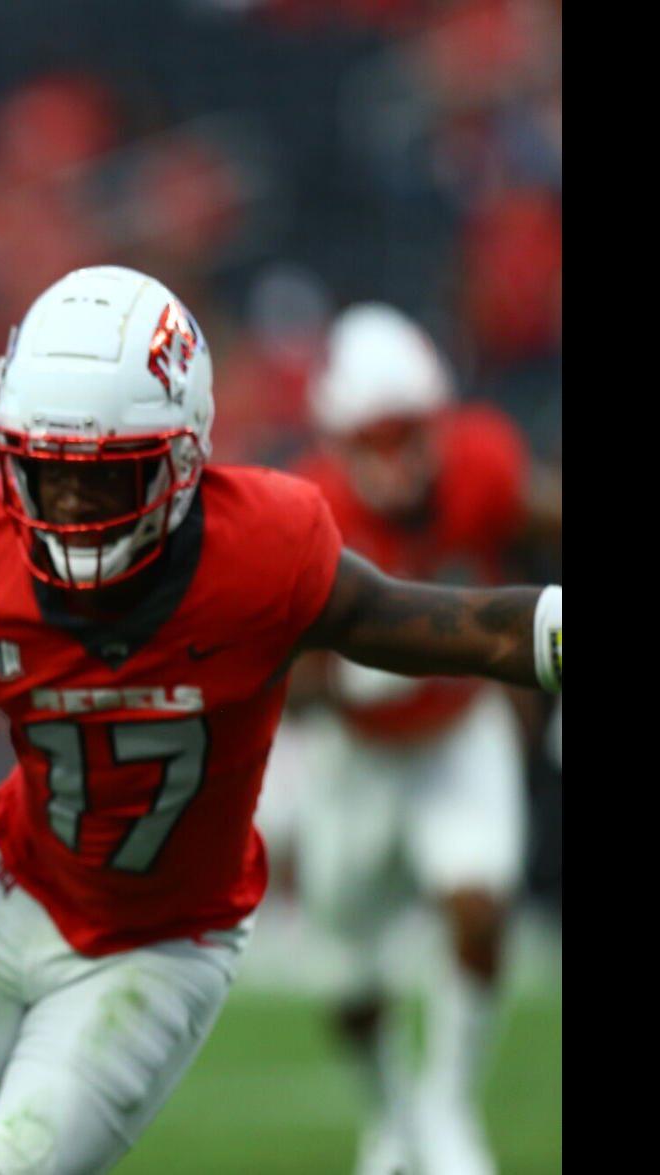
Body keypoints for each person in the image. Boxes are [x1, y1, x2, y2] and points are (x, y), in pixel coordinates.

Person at [0, 266, 562, 1175]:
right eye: (47, 476)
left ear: (183, 458)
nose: (74, 509)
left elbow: (462, 628)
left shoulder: (263, 548)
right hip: (11, 898)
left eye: (108, 479)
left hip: (166, 943)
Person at [289, 303, 561, 1175]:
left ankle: (446, 1111)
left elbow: (538, 522)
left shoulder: (482, 461)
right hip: (352, 754)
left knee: (479, 910)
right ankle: (393, 1116)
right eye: (374, 437)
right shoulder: (309, 508)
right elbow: (281, 679)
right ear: (338, 438)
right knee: (348, 982)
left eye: (410, 432)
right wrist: (341, 670)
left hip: (455, 732)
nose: (397, 456)